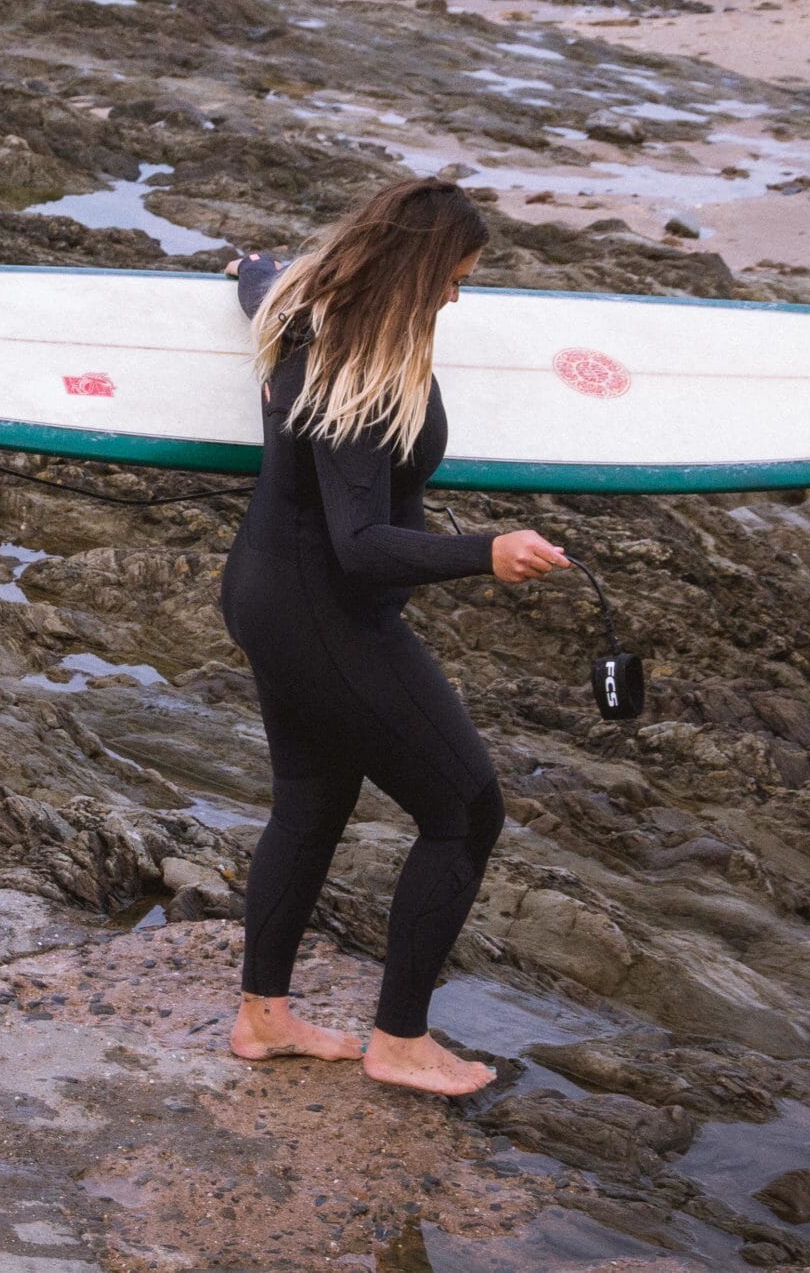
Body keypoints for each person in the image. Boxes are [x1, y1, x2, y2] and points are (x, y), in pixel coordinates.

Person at [219, 178, 569, 1098]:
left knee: (311, 799)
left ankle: (264, 1018)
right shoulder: (360, 377)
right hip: (322, 610)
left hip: (265, 589)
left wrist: (250, 268)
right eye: (453, 279)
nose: (457, 297)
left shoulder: (304, 304)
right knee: (465, 810)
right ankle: (401, 1041)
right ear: (414, 274)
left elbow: (265, 284)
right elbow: (364, 546)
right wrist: (484, 552)